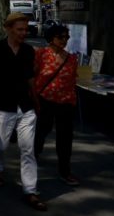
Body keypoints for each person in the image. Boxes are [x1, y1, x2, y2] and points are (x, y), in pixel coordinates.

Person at [0, 12, 46, 211]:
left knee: (28, 149)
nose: (24, 33)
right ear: (8, 28)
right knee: (1, 144)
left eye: (26, 29)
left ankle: (30, 191)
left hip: (25, 106)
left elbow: (30, 77)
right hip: (1, 105)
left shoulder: (29, 51)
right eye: (20, 29)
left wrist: (36, 99)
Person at [34, 24, 80, 186]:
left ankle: (65, 170)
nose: (64, 40)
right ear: (51, 38)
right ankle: (34, 152)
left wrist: (72, 100)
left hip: (66, 103)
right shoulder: (41, 54)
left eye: (66, 37)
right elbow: (32, 76)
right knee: (41, 130)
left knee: (65, 138)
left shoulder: (72, 59)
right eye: (61, 37)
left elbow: (72, 81)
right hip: (45, 101)